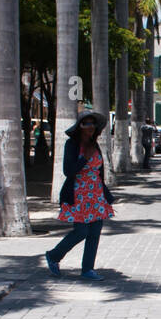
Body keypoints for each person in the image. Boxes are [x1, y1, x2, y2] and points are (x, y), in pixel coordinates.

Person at [45, 111, 114, 281]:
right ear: (79, 127)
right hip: (78, 193)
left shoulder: (95, 144)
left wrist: (104, 192)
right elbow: (68, 171)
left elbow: (100, 171)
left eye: (92, 124)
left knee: (95, 231)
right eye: (86, 124)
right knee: (81, 231)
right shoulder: (72, 145)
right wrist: (84, 158)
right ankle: (54, 255)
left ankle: (87, 269)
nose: (90, 127)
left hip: (96, 193)